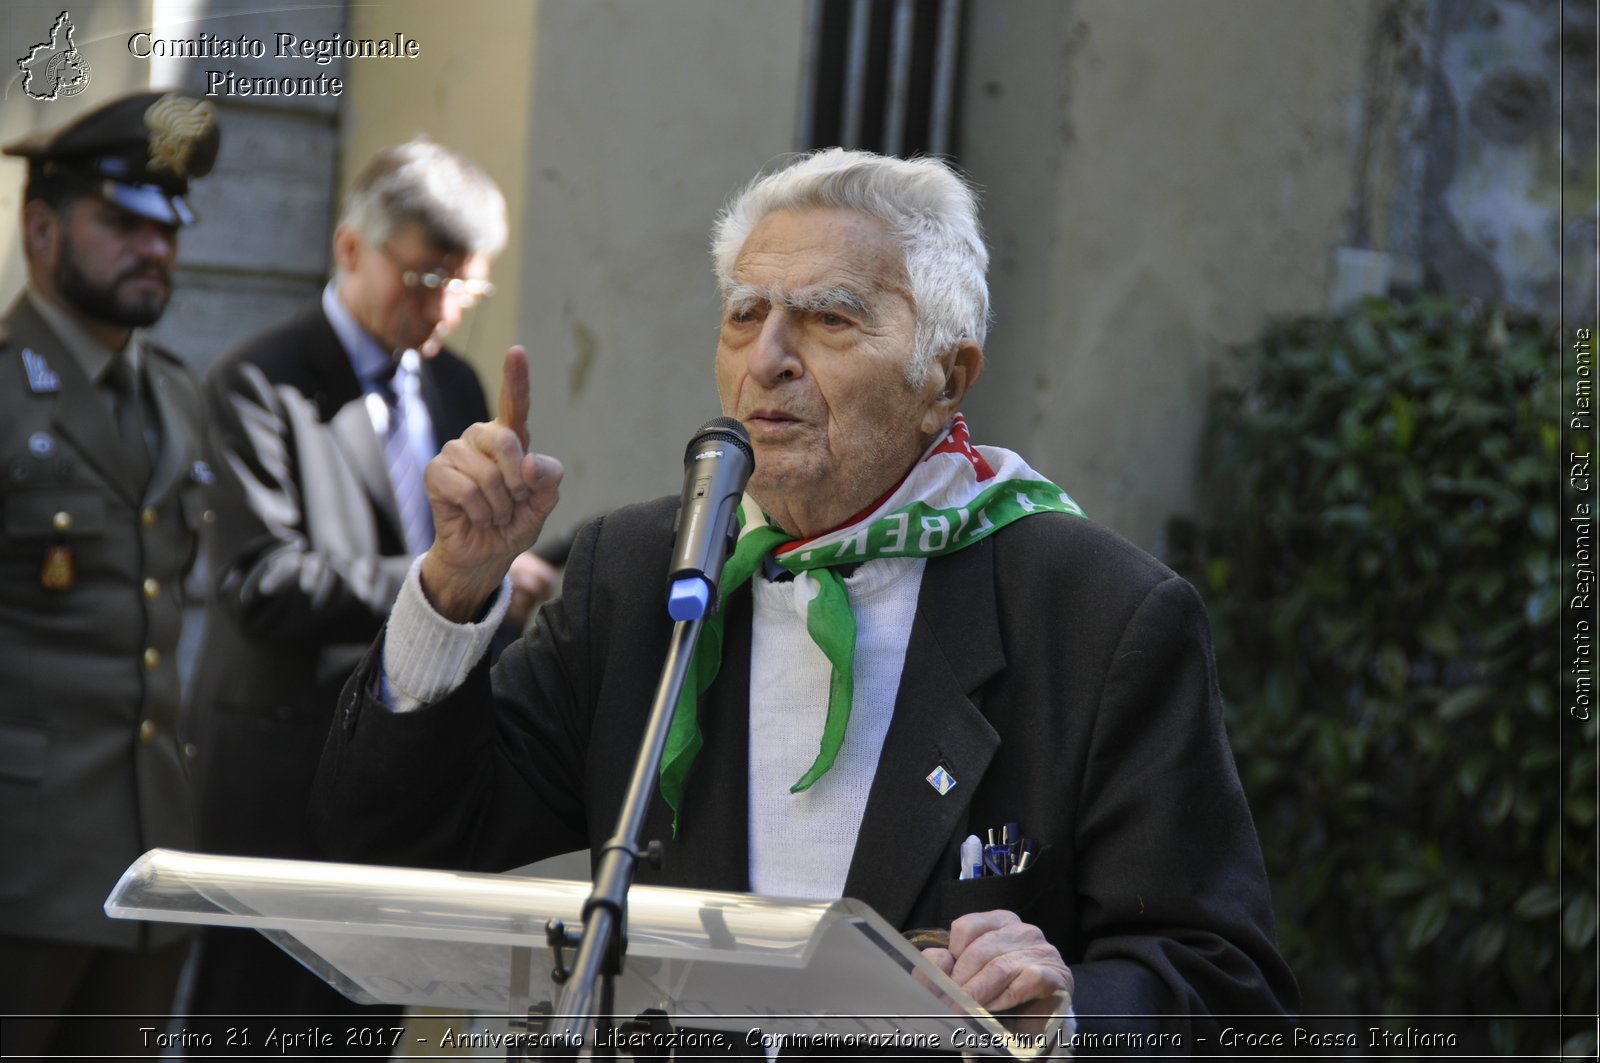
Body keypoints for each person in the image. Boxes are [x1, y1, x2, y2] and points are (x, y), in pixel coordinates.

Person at [312, 149, 1298, 1044]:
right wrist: (455, 584)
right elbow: (397, 839)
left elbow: (1224, 986)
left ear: (944, 378)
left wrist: (1066, 1013)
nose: (766, 360)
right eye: (745, 314)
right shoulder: (642, 571)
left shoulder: (1097, 614)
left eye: (829, 317)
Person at [185, 140, 556, 1039]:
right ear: (352, 250)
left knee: (361, 1026)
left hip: (399, 776)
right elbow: (260, 581)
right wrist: (441, 583)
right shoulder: (260, 379)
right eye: (427, 277)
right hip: (277, 781)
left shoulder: (456, 381)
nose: (445, 307)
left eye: (468, 283)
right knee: (253, 1028)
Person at [0, 91, 221, 1056]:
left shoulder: (174, 391)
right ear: (39, 228)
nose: (155, 249)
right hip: (20, 871)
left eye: (167, 227)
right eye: (123, 223)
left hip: (147, 864)